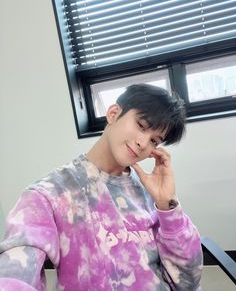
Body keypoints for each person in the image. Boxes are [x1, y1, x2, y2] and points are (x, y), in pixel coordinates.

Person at [0, 84, 203, 290]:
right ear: (114, 113)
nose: (143, 143)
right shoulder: (50, 193)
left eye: (154, 140)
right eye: (141, 125)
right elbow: (16, 269)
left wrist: (168, 205)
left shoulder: (151, 195)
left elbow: (188, 281)